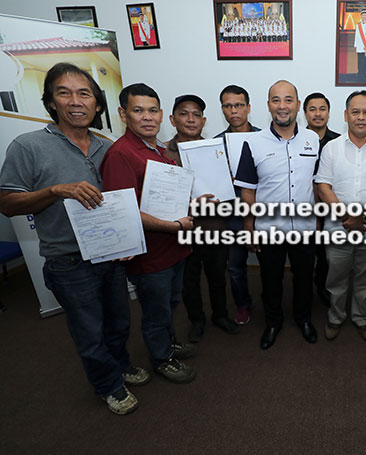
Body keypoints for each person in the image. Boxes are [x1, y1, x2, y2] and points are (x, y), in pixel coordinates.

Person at [0, 63, 148, 415]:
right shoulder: (28, 146)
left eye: (85, 93)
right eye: (64, 93)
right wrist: (53, 191)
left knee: (119, 321)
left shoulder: (107, 146)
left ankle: (121, 365)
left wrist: (127, 240)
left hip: (111, 254)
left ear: (97, 104)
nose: (76, 101)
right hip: (69, 260)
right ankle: (108, 385)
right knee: (89, 331)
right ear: (51, 102)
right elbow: (6, 203)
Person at [100, 83, 197, 384]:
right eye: (138, 110)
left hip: (174, 248)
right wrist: (175, 226)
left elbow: (168, 198)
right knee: (155, 311)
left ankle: (168, 343)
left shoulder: (158, 149)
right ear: (123, 114)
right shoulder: (122, 154)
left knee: (170, 303)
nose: (147, 117)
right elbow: (124, 210)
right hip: (149, 255)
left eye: (152, 110)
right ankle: (161, 358)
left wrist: (195, 203)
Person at [234, 80, 320, 350]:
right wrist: (249, 228)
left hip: (305, 227)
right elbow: (248, 192)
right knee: (270, 280)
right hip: (269, 228)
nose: (282, 106)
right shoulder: (253, 143)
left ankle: (303, 319)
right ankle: (273, 322)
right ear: (268, 105)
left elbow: (316, 184)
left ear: (297, 104)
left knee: (305, 279)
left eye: (288, 100)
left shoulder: (312, 139)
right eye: (276, 100)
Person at [316, 90, 366, 342]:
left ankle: (362, 319)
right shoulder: (332, 148)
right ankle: (335, 317)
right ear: (346, 115)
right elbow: (323, 186)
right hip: (337, 228)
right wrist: (346, 217)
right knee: (336, 278)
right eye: (355, 112)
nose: (360, 117)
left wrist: (362, 216)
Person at [165, 94, 239, 343]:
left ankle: (220, 315)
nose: (191, 119)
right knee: (189, 280)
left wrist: (225, 174)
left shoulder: (214, 151)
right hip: (182, 229)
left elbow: (226, 192)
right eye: (184, 114)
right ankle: (197, 320)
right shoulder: (162, 153)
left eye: (196, 114)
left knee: (218, 275)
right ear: (172, 119)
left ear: (204, 120)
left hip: (214, 226)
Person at [215, 85, 260, 326]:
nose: (234, 111)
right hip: (233, 215)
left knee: (271, 265)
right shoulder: (215, 144)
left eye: (239, 105)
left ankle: (272, 303)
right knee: (235, 267)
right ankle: (243, 304)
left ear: (248, 108)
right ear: (222, 109)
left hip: (262, 213)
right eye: (228, 105)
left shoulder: (265, 138)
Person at [303, 92, 340, 308]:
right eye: (312, 109)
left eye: (322, 109)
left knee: (328, 255)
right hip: (304, 207)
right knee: (306, 256)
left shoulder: (337, 141)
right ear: (305, 113)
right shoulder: (296, 140)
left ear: (328, 112)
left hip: (332, 207)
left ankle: (323, 288)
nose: (318, 114)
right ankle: (305, 291)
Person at [354, 10, 366, 78]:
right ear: (361, 16)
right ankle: (359, 72)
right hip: (359, 45)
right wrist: (355, 45)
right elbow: (356, 35)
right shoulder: (358, 25)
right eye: (362, 15)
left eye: (365, 15)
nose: (364, 17)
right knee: (359, 59)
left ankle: (364, 73)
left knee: (365, 60)